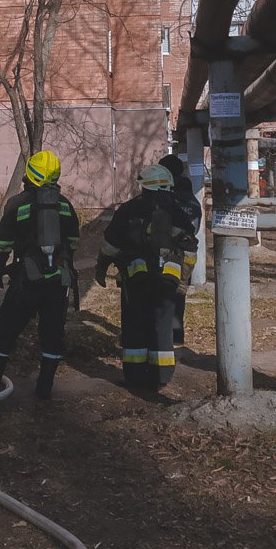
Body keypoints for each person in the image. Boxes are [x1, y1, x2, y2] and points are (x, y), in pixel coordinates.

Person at [0, 150, 81, 400]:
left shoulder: (18, 204)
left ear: (31, 174)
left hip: (26, 281)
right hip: (57, 283)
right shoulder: (64, 205)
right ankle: (45, 387)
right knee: (52, 334)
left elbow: (2, 243)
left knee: (6, 329)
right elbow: (73, 240)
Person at [95, 164, 196, 389]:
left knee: (134, 324)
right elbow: (189, 249)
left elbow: (110, 245)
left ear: (145, 186)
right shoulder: (177, 212)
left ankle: (135, 376)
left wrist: (101, 268)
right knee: (162, 324)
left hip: (135, 278)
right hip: (167, 279)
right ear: (166, 185)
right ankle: (162, 376)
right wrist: (183, 280)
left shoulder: (129, 209)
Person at [158, 154, 203, 345]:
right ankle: (176, 342)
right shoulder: (192, 200)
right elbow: (194, 228)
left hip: (163, 257)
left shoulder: (166, 198)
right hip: (185, 259)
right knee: (178, 303)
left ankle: (161, 341)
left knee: (159, 303)